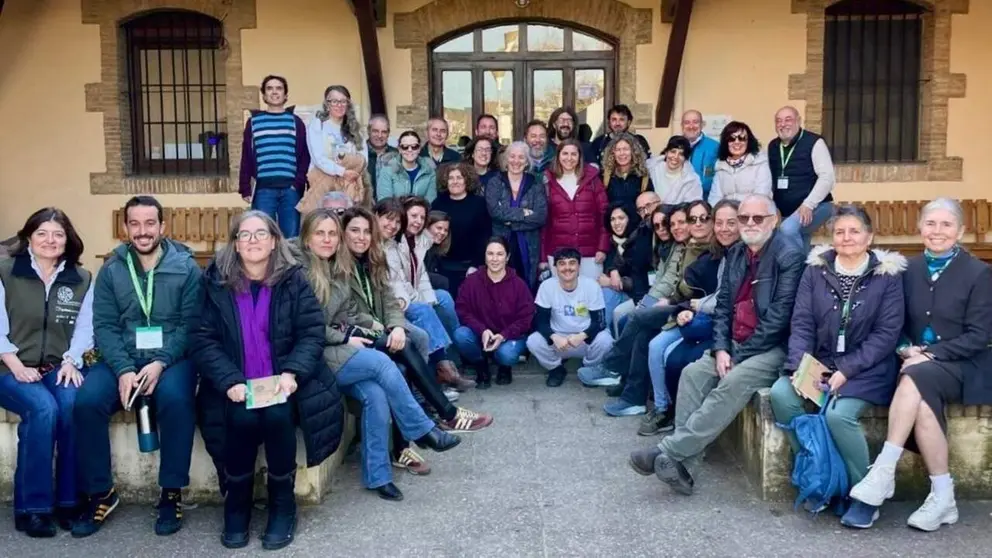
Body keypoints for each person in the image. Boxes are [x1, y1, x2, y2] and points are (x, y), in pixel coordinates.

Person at [628, 194, 805, 496]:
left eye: (757, 218)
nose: (749, 224)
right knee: (693, 374)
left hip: (773, 348)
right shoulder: (736, 253)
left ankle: (667, 450)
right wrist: (722, 348)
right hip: (735, 343)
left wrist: (738, 354)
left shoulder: (788, 256)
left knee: (731, 381)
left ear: (774, 221)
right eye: (744, 218)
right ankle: (685, 466)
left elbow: (779, 318)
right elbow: (723, 307)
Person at [190, 210, 343, 549]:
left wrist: (292, 374)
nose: (253, 241)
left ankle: (282, 506)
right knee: (242, 420)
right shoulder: (215, 281)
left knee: (276, 417)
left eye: (261, 234)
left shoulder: (293, 279)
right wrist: (228, 380)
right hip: (235, 383)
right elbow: (202, 337)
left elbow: (311, 333)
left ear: (274, 241)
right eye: (245, 235)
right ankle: (236, 506)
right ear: (235, 244)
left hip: (283, 381)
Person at [292, 209, 459, 501]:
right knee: (383, 363)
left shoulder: (338, 267)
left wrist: (373, 328)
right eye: (320, 233)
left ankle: (378, 476)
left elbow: (351, 312)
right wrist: (346, 336)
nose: (328, 239)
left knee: (376, 396)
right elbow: (305, 327)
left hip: (337, 347)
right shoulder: (299, 272)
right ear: (307, 238)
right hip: (311, 355)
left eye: (332, 233)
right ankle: (422, 430)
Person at [848, 198, 992, 532]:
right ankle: (944, 498)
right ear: (920, 227)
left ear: (960, 231)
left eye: (946, 225)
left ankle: (884, 468)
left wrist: (927, 354)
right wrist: (902, 348)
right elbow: (893, 322)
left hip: (965, 364)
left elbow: (980, 335)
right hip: (916, 364)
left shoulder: (979, 273)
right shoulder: (906, 269)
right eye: (930, 223)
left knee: (915, 376)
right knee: (923, 403)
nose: (937, 231)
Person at [769, 204, 906, 528]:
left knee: (838, 414)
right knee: (781, 395)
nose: (847, 238)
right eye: (840, 232)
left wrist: (847, 370)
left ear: (869, 237)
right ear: (831, 237)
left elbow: (886, 335)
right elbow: (801, 322)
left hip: (868, 367)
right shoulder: (815, 270)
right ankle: (822, 473)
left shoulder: (886, 275)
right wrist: (799, 368)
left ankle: (865, 494)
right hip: (821, 362)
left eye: (855, 231)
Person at [74, 195, 202, 537]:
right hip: (124, 359)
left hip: (171, 359)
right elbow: (104, 325)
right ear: (125, 228)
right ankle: (102, 493)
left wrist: (160, 362)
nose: (142, 231)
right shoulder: (112, 268)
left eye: (150, 223)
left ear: (163, 226)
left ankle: (170, 492)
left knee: (176, 400)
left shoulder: (186, 266)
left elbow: (190, 325)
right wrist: (124, 368)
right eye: (135, 224)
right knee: (86, 402)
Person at [341, 207, 493, 432]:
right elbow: (353, 308)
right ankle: (441, 404)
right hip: (363, 329)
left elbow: (393, 291)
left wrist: (397, 323)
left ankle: (432, 396)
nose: (361, 237)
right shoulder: (345, 262)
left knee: (427, 322)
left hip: (387, 315)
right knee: (418, 328)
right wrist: (387, 322)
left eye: (365, 231)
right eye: (355, 230)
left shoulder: (377, 253)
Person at [0, 208, 93, 537]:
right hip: (7, 367)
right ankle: (33, 508)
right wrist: (14, 363)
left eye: (58, 234)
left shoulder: (81, 279)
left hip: (57, 365)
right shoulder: (5, 271)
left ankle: (69, 501)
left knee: (70, 405)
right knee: (43, 409)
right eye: (42, 233)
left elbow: (85, 328)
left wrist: (72, 359)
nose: (50, 240)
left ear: (67, 240)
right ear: (28, 237)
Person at [582, 200, 720, 416]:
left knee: (636, 320)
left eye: (683, 222)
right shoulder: (683, 245)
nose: (672, 228)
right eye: (665, 225)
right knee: (640, 330)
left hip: (689, 311)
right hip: (675, 304)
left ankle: (613, 366)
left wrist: (666, 301)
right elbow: (660, 279)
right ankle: (633, 397)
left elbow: (685, 286)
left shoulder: (706, 249)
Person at [639, 200, 740, 436]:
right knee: (648, 337)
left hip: (712, 321)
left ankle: (672, 415)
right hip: (694, 316)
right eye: (692, 219)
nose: (698, 224)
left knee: (665, 350)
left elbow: (719, 297)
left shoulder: (730, 253)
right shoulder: (691, 248)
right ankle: (661, 407)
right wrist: (681, 306)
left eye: (703, 218)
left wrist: (689, 306)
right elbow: (675, 284)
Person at [376, 199, 473, 392]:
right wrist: (422, 302)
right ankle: (444, 366)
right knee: (423, 309)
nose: (418, 221)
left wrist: (429, 300)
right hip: (396, 301)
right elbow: (397, 284)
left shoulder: (416, 240)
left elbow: (421, 278)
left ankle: (454, 359)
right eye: (414, 216)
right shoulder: (393, 243)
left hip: (407, 295)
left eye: (422, 217)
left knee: (442, 298)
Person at [526, 248, 614, 387]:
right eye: (562, 263)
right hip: (558, 341)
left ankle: (589, 369)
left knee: (606, 340)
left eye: (572, 263)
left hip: (584, 339)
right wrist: (554, 337)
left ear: (579, 266)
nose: (567, 268)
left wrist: (582, 335)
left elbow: (600, 322)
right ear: (555, 267)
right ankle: (556, 369)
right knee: (533, 341)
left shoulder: (591, 286)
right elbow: (540, 322)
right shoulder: (547, 286)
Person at [454, 237, 535, 388]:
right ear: (484, 256)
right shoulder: (472, 281)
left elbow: (526, 318)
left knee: (507, 355)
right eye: (490, 254)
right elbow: (462, 310)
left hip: (509, 336)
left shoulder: (518, 284)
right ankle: (481, 365)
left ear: (507, 257)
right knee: (461, 335)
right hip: (480, 334)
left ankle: (504, 367)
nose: (495, 259)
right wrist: (482, 330)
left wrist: (504, 335)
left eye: (500, 254)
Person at [239, 75, 309, 236]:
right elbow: (246, 157)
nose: (274, 92)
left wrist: (297, 184)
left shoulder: (295, 122)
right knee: (262, 235)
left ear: (285, 95)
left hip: (290, 189)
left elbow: (305, 157)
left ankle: (290, 263)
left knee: (291, 238)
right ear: (264, 95)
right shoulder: (254, 122)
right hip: (264, 189)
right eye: (269, 88)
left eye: (279, 88)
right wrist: (245, 187)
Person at [768, 106, 836, 251]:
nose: (783, 124)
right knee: (799, 238)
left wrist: (808, 204)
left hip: (816, 206)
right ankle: (804, 272)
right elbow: (771, 180)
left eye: (788, 120)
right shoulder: (773, 146)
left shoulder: (815, 142)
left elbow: (827, 177)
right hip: (786, 211)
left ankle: (795, 270)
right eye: (778, 121)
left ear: (799, 121)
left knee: (788, 230)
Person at [541, 139, 609, 280]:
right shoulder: (548, 181)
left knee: (589, 297)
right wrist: (543, 256)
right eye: (565, 154)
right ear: (558, 155)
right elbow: (544, 223)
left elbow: (604, 215)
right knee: (561, 298)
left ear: (580, 157)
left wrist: (602, 248)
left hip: (590, 253)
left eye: (574, 154)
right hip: (558, 253)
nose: (569, 158)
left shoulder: (592, 179)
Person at [486, 141, 548, 290]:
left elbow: (540, 216)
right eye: (512, 156)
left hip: (528, 245)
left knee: (526, 286)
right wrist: (523, 213)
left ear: (527, 161)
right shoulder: (495, 182)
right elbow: (494, 212)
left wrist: (509, 221)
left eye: (521, 157)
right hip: (502, 243)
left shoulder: (535, 184)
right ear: (506, 159)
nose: (516, 161)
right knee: (501, 286)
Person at [300, 85, 370, 211]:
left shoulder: (356, 129)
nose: (339, 105)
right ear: (327, 104)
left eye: (343, 101)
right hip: (323, 184)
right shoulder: (317, 126)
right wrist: (342, 171)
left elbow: (363, 159)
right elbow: (318, 159)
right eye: (334, 101)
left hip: (350, 185)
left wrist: (351, 171)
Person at [431, 162, 492, 297]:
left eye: (459, 177)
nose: (455, 181)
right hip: (443, 266)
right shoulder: (438, 203)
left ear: (467, 180)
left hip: (470, 266)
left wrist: (476, 265)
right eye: (451, 178)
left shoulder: (479, 203)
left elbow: (485, 236)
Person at [598, 202, 653, 334]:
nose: (616, 223)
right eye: (613, 219)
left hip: (644, 295)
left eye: (621, 218)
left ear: (630, 218)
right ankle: (601, 338)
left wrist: (613, 282)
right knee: (606, 292)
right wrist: (613, 270)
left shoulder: (641, 240)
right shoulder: (615, 241)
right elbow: (611, 264)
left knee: (613, 303)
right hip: (626, 292)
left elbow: (641, 279)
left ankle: (602, 337)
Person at [707, 121, 772, 205]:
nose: (737, 142)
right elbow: (714, 198)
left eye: (742, 138)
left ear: (749, 141)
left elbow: (761, 195)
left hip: (753, 213)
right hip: (727, 214)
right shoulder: (720, 166)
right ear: (725, 143)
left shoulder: (760, 162)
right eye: (731, 139)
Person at [585, 104, 652, 169]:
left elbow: (648, 165)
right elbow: (592, 168)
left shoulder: (639, 141)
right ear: (609, 122)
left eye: (621, 120)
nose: (617, 123)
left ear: (629, 122)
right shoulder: (599, 142)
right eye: (614, 119)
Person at [377, 131, 437, 202]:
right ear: (399, 149)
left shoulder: (429, 171)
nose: (410, 150)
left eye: (414, 146)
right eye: (405, 147)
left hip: (421, 212)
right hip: (394, 212)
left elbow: (430, 201)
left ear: (419, 149)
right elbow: (384, 202)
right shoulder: (387, 171)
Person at [601, 132, 654, 213]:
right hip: (614, 224)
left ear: (633, 152)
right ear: (613, 153)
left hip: (637, 224)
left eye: (626, 149)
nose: (622, 153)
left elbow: (650, 207)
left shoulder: (643, 178)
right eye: (618, 150)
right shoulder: (605, 177)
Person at [646, 136, 703, 205]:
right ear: (666, 152)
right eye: (673, 152)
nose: (676, 157)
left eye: (681, 154)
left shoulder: (692, 180)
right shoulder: (652, 169)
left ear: (685, 158)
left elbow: (693, 207)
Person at [681, 110, 719, 199]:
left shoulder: (715, 146)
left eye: (695, 122)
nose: (691, 126)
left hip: (706, 200)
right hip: (680, 201)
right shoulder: (675, 146)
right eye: (687, 123)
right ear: (682, 126)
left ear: (702, 125)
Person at [366, 114, 397, 196]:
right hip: (365, 205)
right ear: (368, 131)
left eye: (384, 132)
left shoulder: (396, 155)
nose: (379, 135)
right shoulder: (360, 152)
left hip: (389, 205)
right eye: (375, 131)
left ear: (388, 134)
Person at [424, 210, 452, 291]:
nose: (443, 233)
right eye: (439, 228)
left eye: (446, 230)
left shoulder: (435, 250)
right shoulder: (419, 247)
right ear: (427, 226)